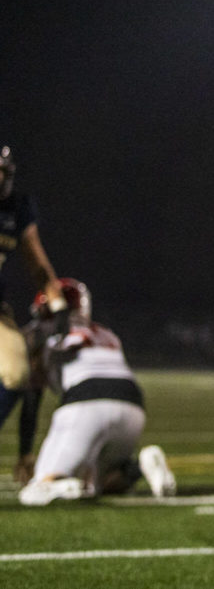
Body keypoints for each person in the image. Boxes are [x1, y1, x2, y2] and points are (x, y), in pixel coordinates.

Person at [17, 277, 176, 505]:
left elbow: (32, 397)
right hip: (132, 404)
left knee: (37, 491)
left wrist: (25, 452)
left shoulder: (41, 335)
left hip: (87, 399)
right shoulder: (105, 332)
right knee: (101, 483)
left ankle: (60, 481)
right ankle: (138, 467)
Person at [0, 144, 68, 482]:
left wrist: (58, 305)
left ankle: (25, 454)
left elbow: (38, 266)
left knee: (18, 371)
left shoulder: (17, 208)